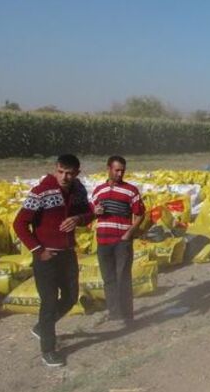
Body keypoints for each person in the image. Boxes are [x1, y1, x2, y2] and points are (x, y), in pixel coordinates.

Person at [13, 154, 93, 367]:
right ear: (55, 169)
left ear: (77, 173)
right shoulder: (40, 192)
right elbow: (19, 224)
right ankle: (48, 350)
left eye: (69, 173)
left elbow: (88, 214)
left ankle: (42, 327)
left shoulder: (78, 190)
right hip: (46, 257)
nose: (64, 177)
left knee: (70, 297)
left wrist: (78, 218)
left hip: (67, 254)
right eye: (61, 172)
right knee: (48, 303)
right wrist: (39, 250)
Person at [91, 155, 145, 329]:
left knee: (123, 278)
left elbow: (140, 214)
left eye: (122, 170)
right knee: (109, 279)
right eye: (117, 170)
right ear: (108, 168)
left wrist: (129, 233)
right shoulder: (98, 190)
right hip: (103, 240)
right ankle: (114, 313)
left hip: (122, 241)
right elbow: (93, 210)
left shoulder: (131, 191)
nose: (120, 173)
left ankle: (127, 315)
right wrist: (96, 211)